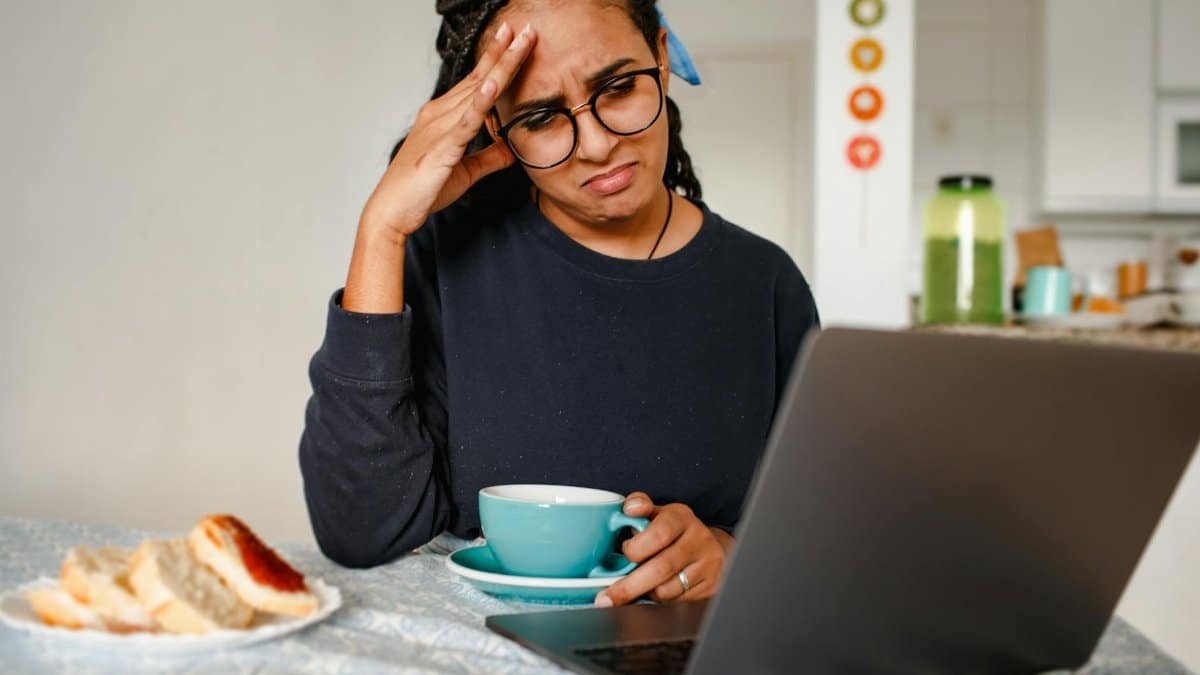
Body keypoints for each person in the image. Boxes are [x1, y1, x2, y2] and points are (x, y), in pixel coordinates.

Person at [299, 0, 819, 608]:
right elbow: (360, 531)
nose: (597, 145)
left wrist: (728, 556)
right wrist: (382, 229)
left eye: (620, 87)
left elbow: (815, 544)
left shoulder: (766, 285)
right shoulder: (446, 260)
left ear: (660, 57)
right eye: (542, 117)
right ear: (495, 128)